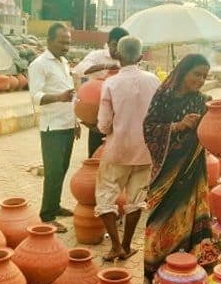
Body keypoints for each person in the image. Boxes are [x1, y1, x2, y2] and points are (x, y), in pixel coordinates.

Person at [142, 54, 213, 284]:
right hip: (166, 172)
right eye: (197, 74)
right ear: (183, 72)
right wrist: (178, 125)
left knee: (190, 217)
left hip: (192, 171)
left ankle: (186, 273)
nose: (200, 80)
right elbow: (149, 128)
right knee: (158, 220)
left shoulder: (201, 100)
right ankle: (151, 274)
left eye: (204, 76)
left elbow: (211, 133)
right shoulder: (163, 97)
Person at [95, 36, 161, 261]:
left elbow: (104, 125)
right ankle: (126, 244)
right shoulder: (153, 81)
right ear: (141, 57)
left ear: (118, 55)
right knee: (137, 199)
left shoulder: (111, 83)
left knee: (105, 197)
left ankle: (115, 246)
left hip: (118, 150)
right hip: (145, 151)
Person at [27, 22, 80, 233]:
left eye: (68, 42)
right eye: (62, 42)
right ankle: (47, 216)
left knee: (63, 170)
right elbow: (35, 96)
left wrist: (75, 121)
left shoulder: (64, 62)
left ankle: (55, 205)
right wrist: (59, 97)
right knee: (53, 172)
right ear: (49, 41)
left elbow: (69, 95)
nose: (66, 46)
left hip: (67, 124)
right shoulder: (39, 64)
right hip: (52, 128)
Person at [72, 27, 130, 157]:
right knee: (95, 153)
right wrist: (106, 67)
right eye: (115, 45)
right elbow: (80, 70)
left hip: (118, 115)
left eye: (121, 46)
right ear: (109, 43)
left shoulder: (126, 59)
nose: (117, 50)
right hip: (97, 112)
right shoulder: (97, 55)